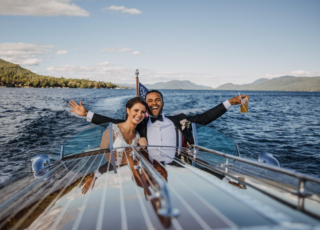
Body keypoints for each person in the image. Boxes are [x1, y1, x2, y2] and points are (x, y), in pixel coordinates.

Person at [69, 90, 249, 164]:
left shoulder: (179, 120)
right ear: (146, 105)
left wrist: (230, 103)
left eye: (157, 100)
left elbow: (205, 117)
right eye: (149, 101)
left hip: (178, 167)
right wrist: (87, 114)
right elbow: (114, 122)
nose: (154, 103)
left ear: (162, 103)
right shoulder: (141, 124)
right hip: (148, 168)